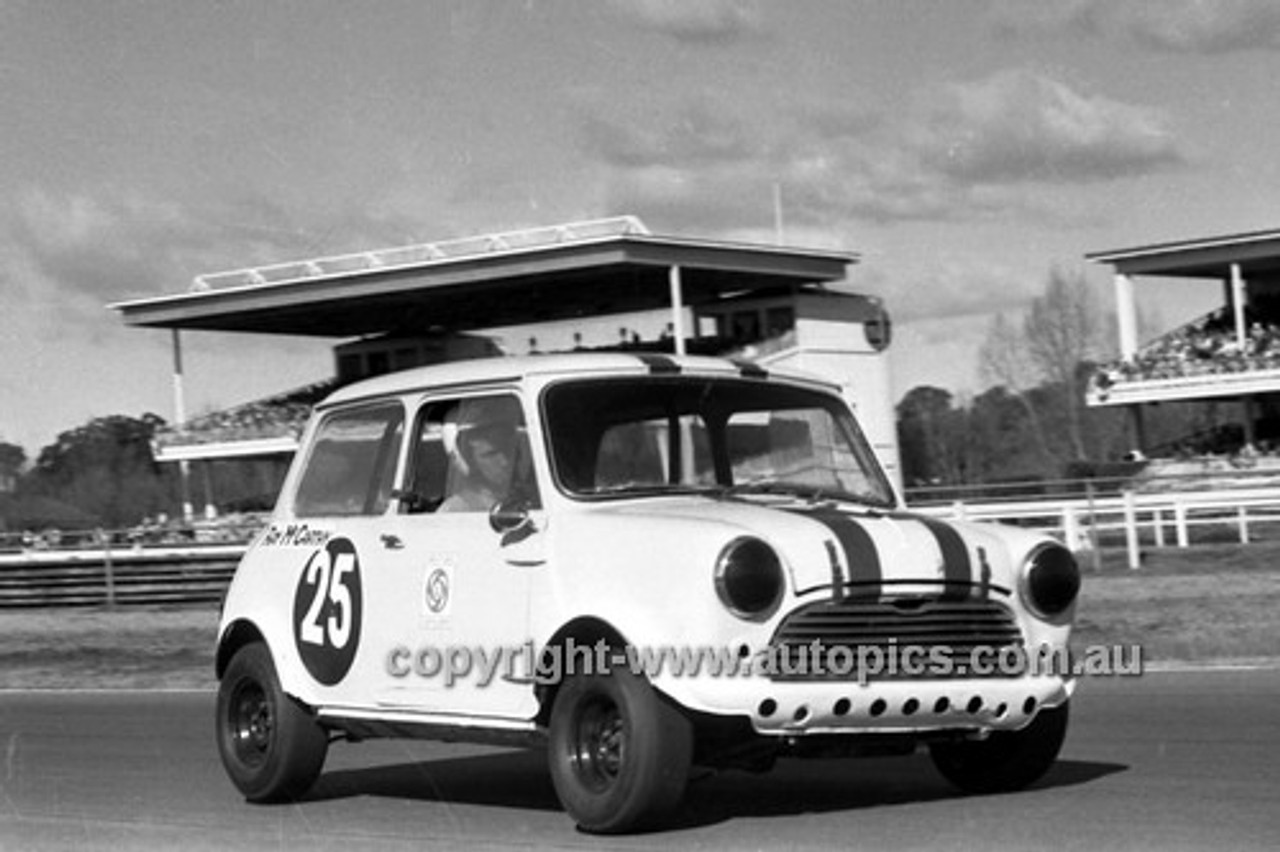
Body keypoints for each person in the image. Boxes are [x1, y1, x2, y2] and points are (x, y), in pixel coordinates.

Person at [439, 420, 519, 512]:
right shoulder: (456, 509)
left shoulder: (531, 498)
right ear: (470, 461)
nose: (504, 462)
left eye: (507, 451)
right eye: (490, 455)